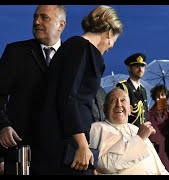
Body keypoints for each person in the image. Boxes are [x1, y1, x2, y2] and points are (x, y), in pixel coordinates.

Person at [37, 5, 123, 174]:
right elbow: (68, 96)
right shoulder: (80, 47)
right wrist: (82, 145)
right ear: (108, 32)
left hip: (71, 140)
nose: (111, 46)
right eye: (114, 40)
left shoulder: (78, 48)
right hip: (66, 143)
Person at [0, 5, 66, 175]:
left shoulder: (71, 57)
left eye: (44, 17)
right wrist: (3, 126)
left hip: (59, 152)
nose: (36, 22)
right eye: (35, 17)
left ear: (61, 25)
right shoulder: (16, 52)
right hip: (21, 149)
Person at [89, 87, 169, 175]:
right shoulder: (96, 128)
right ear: (104, 109)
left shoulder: (136, 129)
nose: (119, 104)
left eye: (123, 100)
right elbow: (103, 165)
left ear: (130, 110)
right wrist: (139, 139)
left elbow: (157, 165)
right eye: (113, 100)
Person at [148, 84, 169, 174]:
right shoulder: (150, 113)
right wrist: (155, 117)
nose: (160, 98)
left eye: (163, 95)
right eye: (158, 96)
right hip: (161, 150)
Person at [115, 53, 149, 127]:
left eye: (142, 66)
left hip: (142, 133)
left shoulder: (143, 90)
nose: (140, 69)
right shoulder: (123, 87)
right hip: (128, 132)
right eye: (137, 66)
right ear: (129, 68)